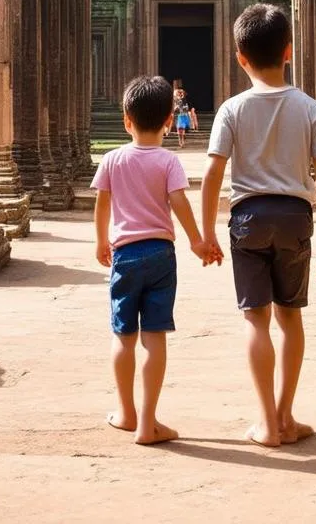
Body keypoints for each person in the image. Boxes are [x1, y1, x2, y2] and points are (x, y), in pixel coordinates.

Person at [200, 3, 316, 448]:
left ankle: (265, 424)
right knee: (290, 317)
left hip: (247, 217)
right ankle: (285, 415)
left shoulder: (231, 109)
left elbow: (212, 174)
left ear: (240, 58)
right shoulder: (310, 108)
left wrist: (205, 232)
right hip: (295, 217)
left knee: (255, 319)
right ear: (289, 52)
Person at [92, 74, 220, 445]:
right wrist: (197, 241)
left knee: (123, 335)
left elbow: (103, 204)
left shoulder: (112, 159)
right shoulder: (168, 161)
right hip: (161, 254)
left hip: (125, 254)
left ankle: (125, 412)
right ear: (169, 120)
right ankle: (148, 422)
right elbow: (179, 203)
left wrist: (102, 242)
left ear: (125, 120)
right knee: (155, 337)